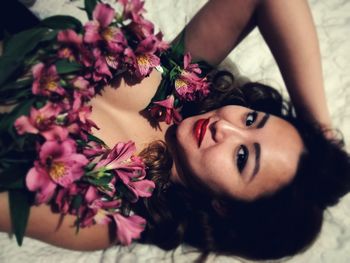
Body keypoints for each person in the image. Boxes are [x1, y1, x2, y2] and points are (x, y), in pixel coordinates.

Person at [0, 0, 349, 260]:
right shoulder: (181, 83)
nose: (224, 126)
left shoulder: (110, 215)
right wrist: (321, 138)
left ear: (224, 207)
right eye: (250, 120)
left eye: (242, 157)